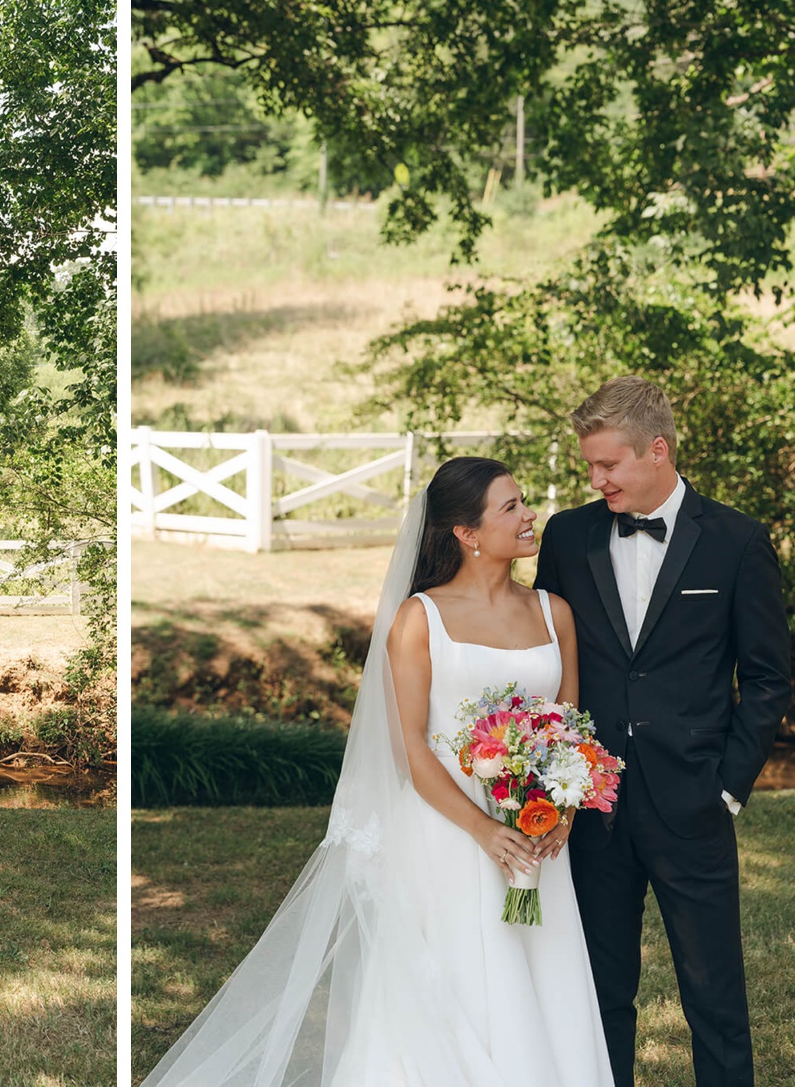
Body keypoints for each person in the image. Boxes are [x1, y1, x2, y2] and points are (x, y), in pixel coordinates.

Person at [142, 456, 612, 1086]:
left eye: (523, 502)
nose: (530, 517)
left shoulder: (554, 613)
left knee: (541, 979)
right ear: (467, 535)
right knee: (465, 989)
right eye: (511, 507)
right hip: (452, 836)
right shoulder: (421, 618)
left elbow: (572, 727)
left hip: (534, 838)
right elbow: (411, 748)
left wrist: (564, 810)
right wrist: (484, 829)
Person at [534, 377, 790, 1087]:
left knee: (714, 999)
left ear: (658, 450)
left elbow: (768, 678)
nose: (597, 479)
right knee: (599, 996)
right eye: (589, 465)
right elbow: (548, 658)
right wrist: (554, 772)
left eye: (608, 464)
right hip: (592, 810)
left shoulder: (737, 542)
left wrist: (729, 789)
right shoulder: (566, 537)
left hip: (694, 805)